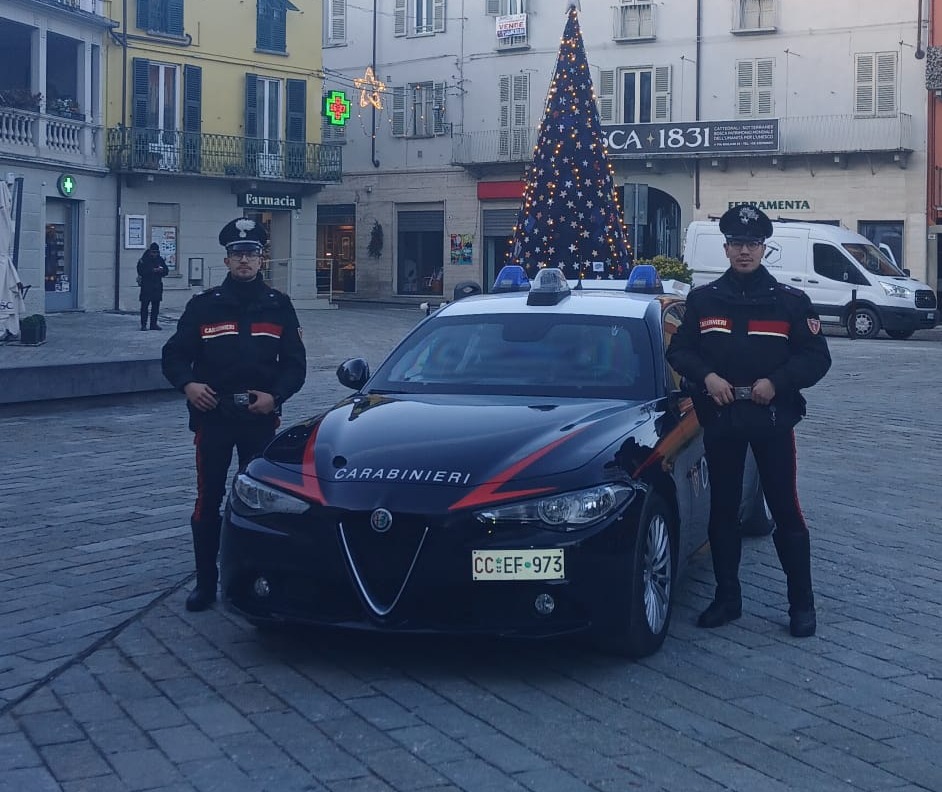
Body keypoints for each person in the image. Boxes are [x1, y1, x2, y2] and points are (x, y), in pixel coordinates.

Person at [666, 204, 831, 637]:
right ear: (725, 248)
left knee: (785, 510)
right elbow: (679, 352)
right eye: (737, 244)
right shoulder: (703, 301)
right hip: (722, 419)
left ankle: (802, 605)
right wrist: (707, 377)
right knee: (723, 511)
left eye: (752, 244)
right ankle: (727, 599)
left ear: (763, 248)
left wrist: (777, 383)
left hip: (772, 420)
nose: (744, 251)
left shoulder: (790, 303)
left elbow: (816, 358)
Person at [161, 218, 306, 611]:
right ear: (226, 260)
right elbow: (174, 355)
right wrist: (189, 387)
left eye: (252, 254)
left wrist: (275, 397)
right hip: (214, 418)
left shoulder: (278, 307)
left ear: (263, 260)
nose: (245, 260)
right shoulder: (205, 306)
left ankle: (255, 579)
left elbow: (295, 365)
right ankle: (206, 583)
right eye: (238, 254)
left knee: (261, 499)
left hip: (259, 419)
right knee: (208, 501)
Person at [137, 243, 169, 330]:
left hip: (157, 286)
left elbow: (166, 271)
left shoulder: (160, 259)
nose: (155, 254)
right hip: (146, 286)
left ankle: (153, 324)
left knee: (155, 307)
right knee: (144, 307)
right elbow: (141, 271)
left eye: (156, 252)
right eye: (153, 252)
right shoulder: (144, 260)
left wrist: (161, 270)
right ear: (150, 251)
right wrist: (152, 270)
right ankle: (143, 325)